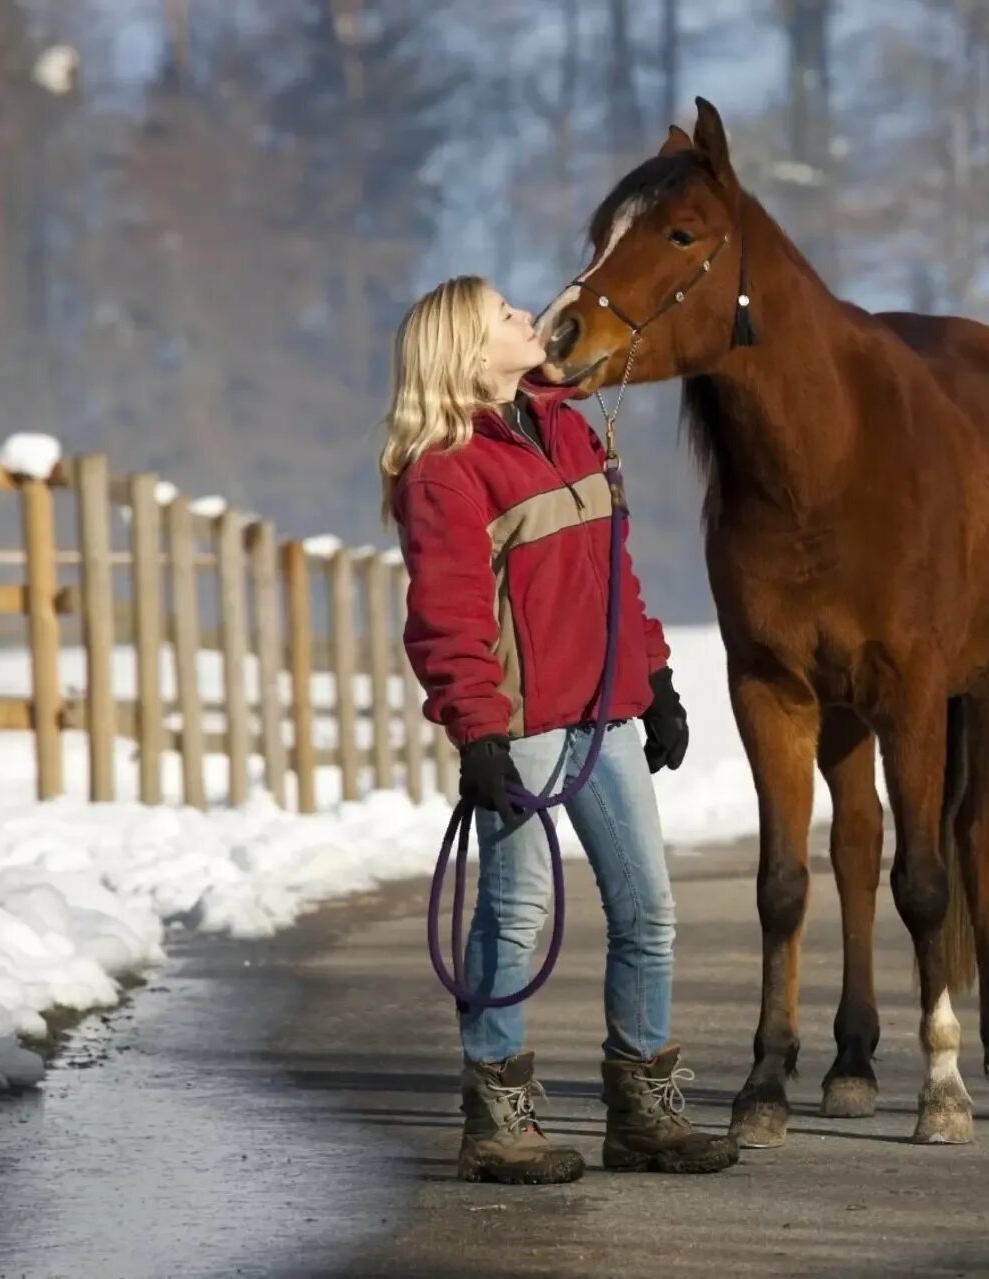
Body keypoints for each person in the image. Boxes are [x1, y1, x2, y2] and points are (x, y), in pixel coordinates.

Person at [378, 275, 737, 1182]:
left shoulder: (568, 425)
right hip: (525, 723)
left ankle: (642, 1112)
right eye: (505, 314)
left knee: (649, 910)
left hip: (607, 709)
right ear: (465, 348)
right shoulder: (445, 469)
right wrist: (477, 732)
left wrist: (653, 676)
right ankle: (495, 1117)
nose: (527, 317)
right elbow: (448, 614)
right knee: (515, 914)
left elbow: (614, 570)